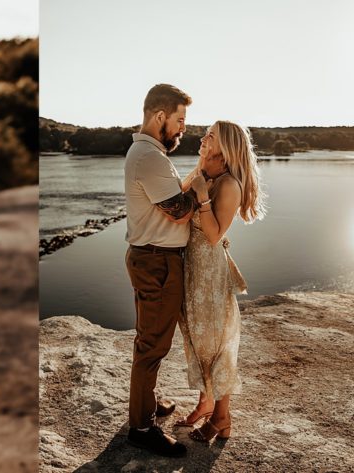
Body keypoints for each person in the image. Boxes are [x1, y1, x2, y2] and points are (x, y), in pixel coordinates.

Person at [174, 120, 265, 443]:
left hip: (210, 274)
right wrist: (197, 178)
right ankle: (205, 403)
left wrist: (201, 195)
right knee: (197, 341)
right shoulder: (205, 175)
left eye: (210, 136)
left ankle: (223, 419)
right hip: (191, 270)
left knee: (216, 344)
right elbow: (178, 213)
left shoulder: (228, 185)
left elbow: (213, 236)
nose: (203, 137)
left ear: (224, 149)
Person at [122, 83, 198, 458]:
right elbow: (180, 209)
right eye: (180, 120)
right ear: (160, 117)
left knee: (151, 340)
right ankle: (140, 428)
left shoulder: (149, 152)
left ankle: (146, 405)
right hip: (157, 261)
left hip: (153, 258)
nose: (183, 128)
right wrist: (202, 181)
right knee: (152, 345)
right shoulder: (149, 157)